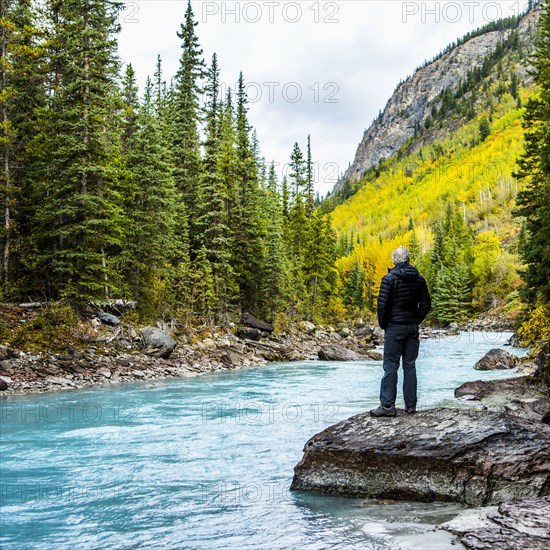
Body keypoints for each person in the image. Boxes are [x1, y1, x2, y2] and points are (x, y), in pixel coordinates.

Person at [370, 246, 431, 417]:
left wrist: (384, 324)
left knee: (390, 366)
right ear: (408, 259)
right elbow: (426, 304)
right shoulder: (420, 279)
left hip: (394, 327)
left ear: (394, 260)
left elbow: (382, 306)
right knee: (410, 365)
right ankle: (410, 406)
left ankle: (388, 406)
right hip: (412, 327)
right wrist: (416, 319)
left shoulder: (389, 279)